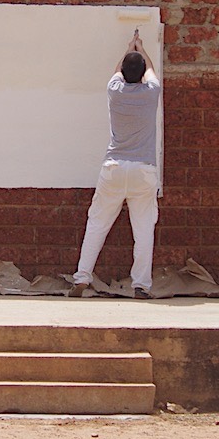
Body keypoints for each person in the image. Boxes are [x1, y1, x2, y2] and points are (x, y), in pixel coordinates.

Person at [69, 30, 162, 299]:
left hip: (114, 166)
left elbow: (117, 72)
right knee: (143, 229)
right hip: (144, 170)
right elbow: (152, 72)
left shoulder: (115, 91)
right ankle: (141, 285)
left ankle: (82, 277)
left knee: (97, 223)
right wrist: (142, 50)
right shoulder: (151, 92)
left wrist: (128, 49)